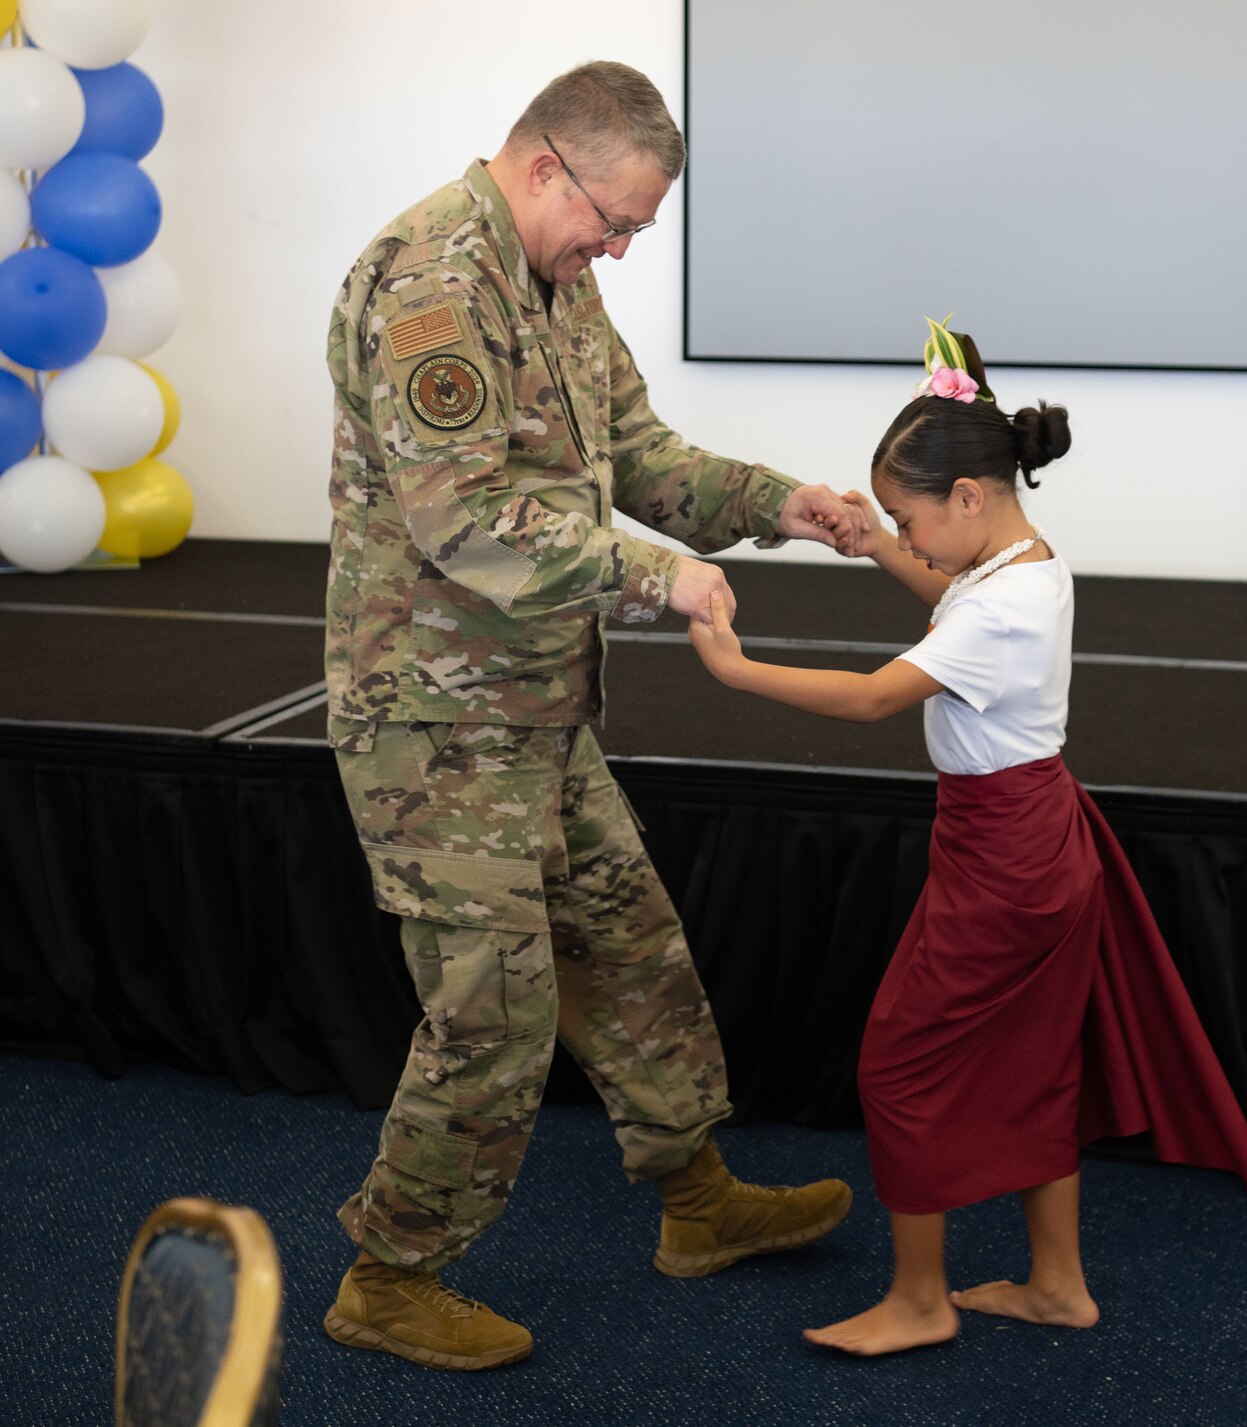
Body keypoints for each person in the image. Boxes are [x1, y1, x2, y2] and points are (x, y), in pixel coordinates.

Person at [321, 61, 866, 1372]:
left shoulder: (558, 281)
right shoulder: (433, 280)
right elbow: (468, 523)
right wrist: (656, 576)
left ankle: (699, 1204)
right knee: (495, 1009)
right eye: (612, 220)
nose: (618, 246)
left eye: (635, 231)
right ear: (546, 165)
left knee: (631, 946)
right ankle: (391, 1274)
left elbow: (640, 453)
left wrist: (780, 504)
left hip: (534, 707)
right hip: (433, 722)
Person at [687, 321, 1247, 1357]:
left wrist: (739, 671)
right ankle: (1057, 1284)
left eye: (907, 519)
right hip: (1034, 842)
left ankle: (921, 1299)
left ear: (967, 496)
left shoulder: (998, 601)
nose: (908, 539)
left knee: (902, 1063)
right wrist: (876, 546)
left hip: (1004, 863)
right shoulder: (1022, 565)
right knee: (1033, 1057)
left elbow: (875, 697)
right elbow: (948, 596)